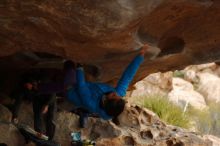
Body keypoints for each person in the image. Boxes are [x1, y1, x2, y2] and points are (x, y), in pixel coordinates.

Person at [65, 44, 148, 127]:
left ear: (106, 101)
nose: (115, 93)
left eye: (113, 95)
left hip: (72, 91)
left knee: (69, 66)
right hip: (89, 87)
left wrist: (79, 67)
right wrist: (140, 56)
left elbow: (81, 87)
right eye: (118, 96)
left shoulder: (91, 104)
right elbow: (127, 76)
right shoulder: (117, 95)